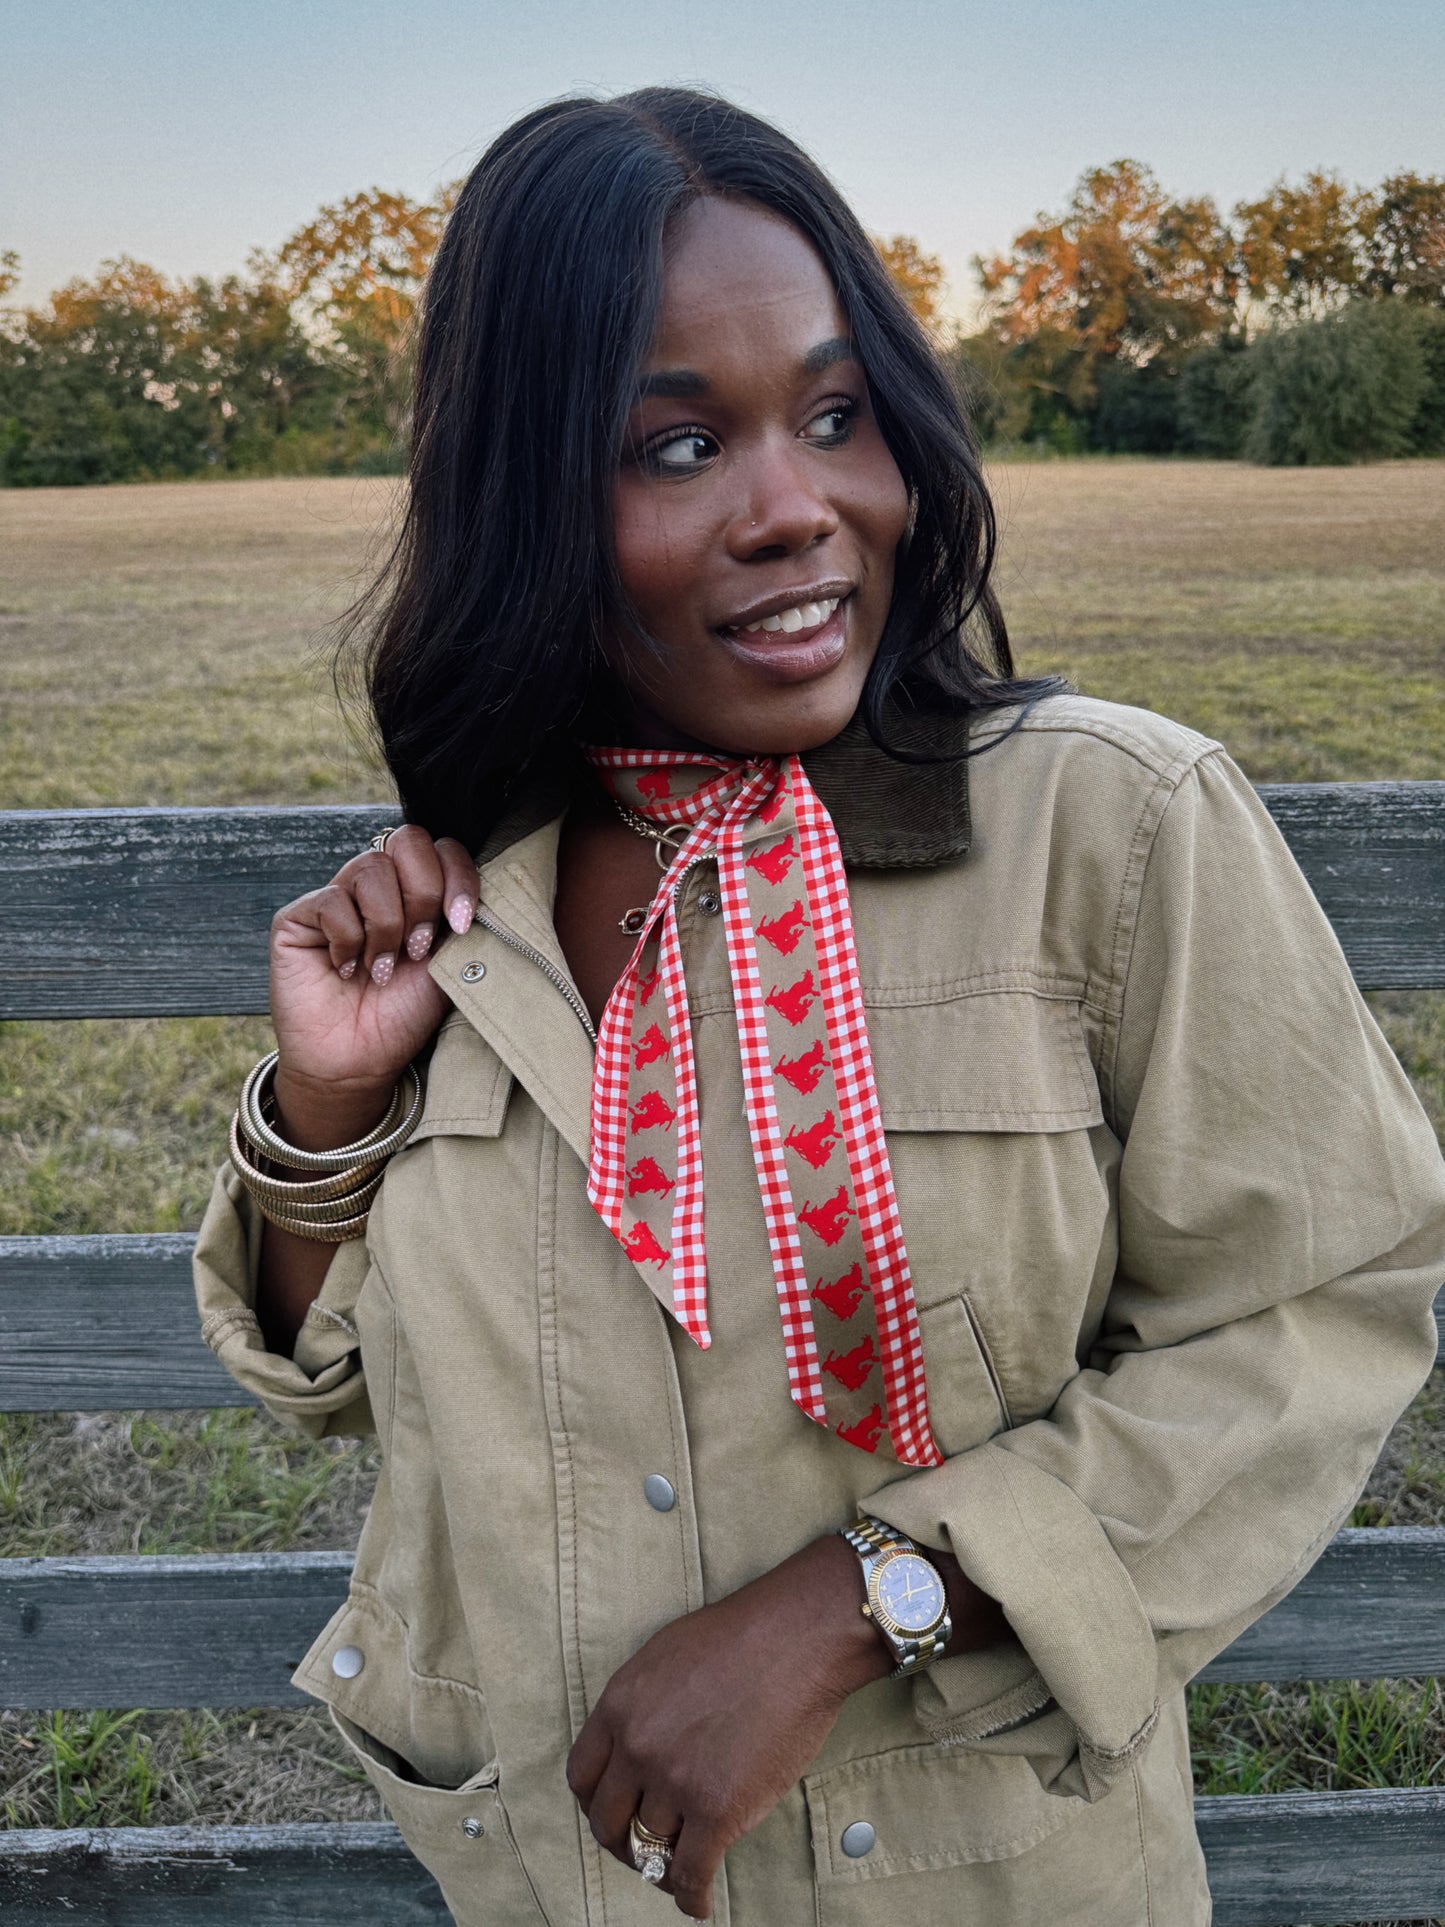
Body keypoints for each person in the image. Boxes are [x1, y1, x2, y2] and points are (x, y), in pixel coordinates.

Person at [193, 88, 1445, 1927]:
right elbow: (338, 1392)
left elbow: (1316, 1310)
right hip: (557, 1883)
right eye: (679, 445)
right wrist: (324, 1115)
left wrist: (866, 1600)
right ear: (524, 495)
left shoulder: (1104, 826)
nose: (796, 508)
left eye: (837, 415)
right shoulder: (474, 899)